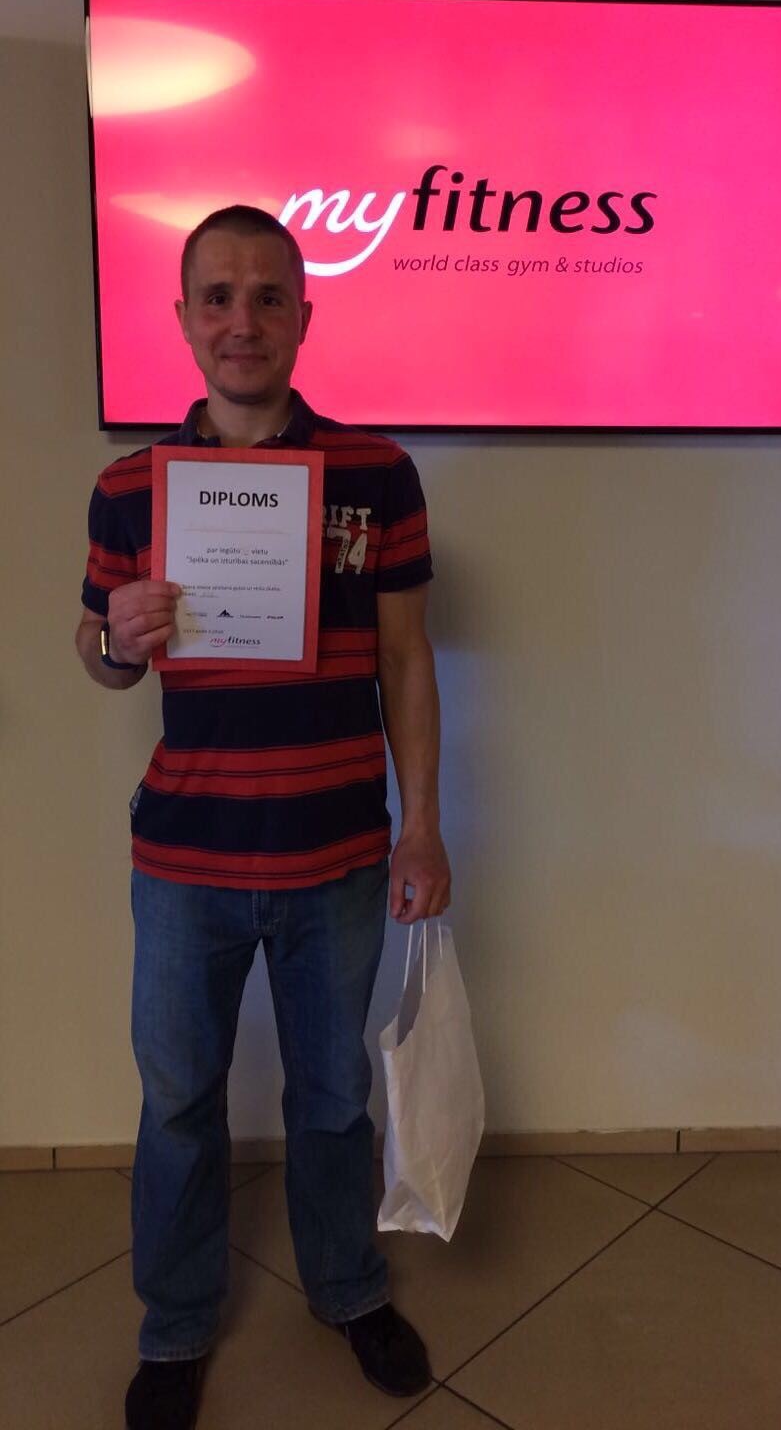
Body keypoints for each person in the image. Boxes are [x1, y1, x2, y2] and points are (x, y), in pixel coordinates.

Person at [75, 205, 450, 1430]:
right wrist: (113, 639)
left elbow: (407, 660)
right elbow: (101, 651)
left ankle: (348, 1288)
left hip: (338, 854)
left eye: (268, 295)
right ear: (185, 318)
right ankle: (176, 1324)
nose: (243, 319)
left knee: (332, 1095)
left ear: (303, 314)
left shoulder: (377, 473)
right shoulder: (129, 486)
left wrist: (422, 824)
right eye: (219, 296)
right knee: (179, 1101)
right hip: (184, 860)